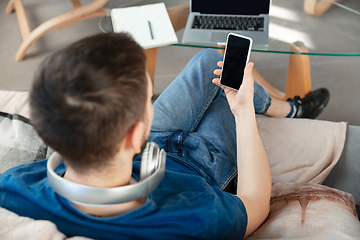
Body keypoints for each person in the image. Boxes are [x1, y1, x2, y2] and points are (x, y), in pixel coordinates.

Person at [0, 32, 356, 240]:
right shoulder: (195, 215)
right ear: (135, 130)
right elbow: (255, 204)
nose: (153, 99)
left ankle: (286, 109)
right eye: (148, 98)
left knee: (208, 63)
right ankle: (290, 110)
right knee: (227, 87)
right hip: (201, 166)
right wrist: (244, 113)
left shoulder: (12, 186)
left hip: (141, 151)